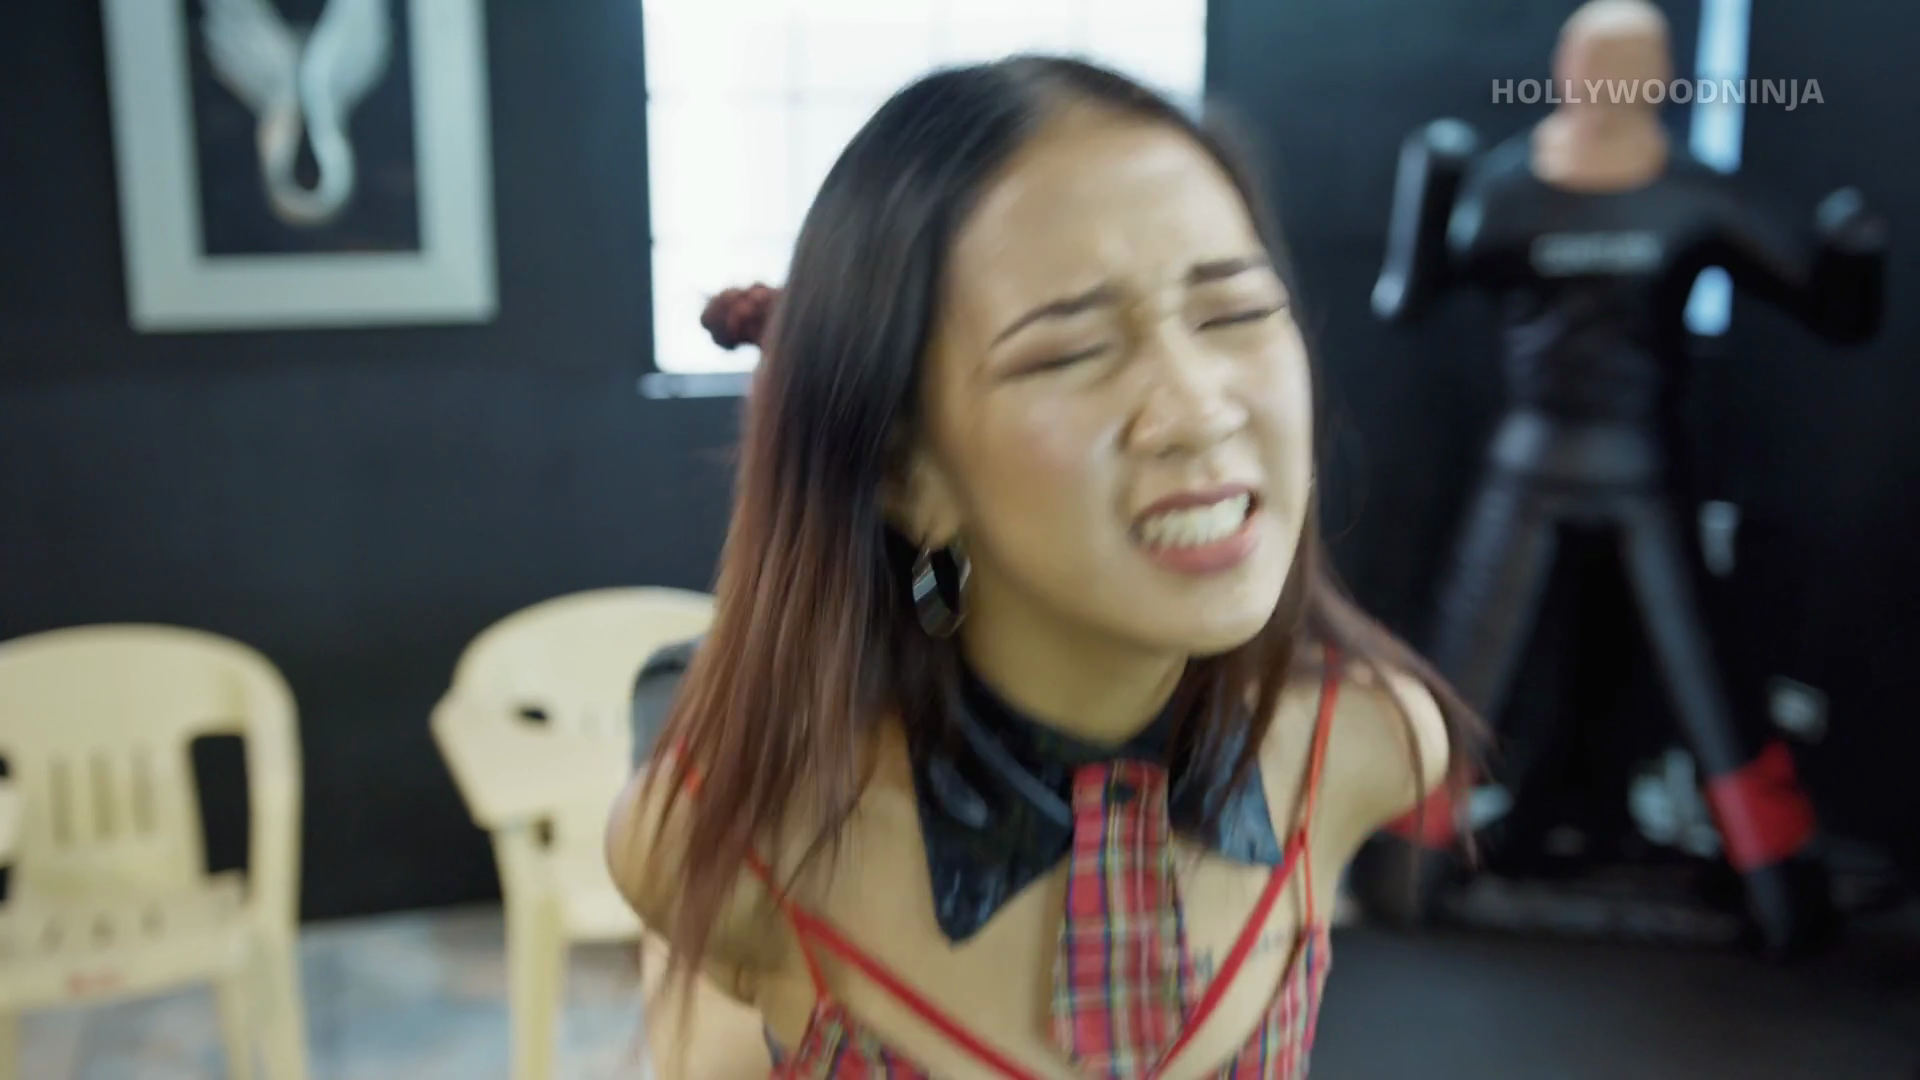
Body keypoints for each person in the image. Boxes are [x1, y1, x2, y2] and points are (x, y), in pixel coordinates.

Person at [608, 55, 1482, 1079]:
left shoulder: (1369, 742)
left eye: (1236, 314)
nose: (1199, 409)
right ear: (906, 474)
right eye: (1072, 352)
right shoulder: (732, 839)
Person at [1366, 0, 1884, 956]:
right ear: (1561, 67)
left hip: (1645, 465)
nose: (1604, 81)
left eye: (1628, 63)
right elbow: (1407, 297)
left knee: (1710, 672)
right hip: (1528, 460)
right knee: (1462, 661)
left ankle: (1783, 889)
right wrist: (1426, 196)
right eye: (1588, 59)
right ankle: (1402, 868)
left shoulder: (1694, 195)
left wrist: (1856, 256)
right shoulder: (1505, 188)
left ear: (1662, 79)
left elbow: (1832, 308)